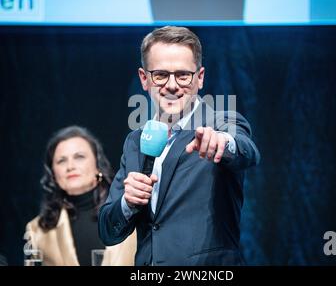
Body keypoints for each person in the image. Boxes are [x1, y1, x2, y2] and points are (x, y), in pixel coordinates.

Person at [98, 26, 260, 265]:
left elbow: (247, 151)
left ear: (200, 77)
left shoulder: (221, 123)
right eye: (161, 75)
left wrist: (223, 143)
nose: (172, 85)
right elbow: (108, 231)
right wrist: (127, 203)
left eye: (183, 75)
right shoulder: (135, 141)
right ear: (144, 79)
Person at [25, 126, 136, 266]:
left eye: (79, 157)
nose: (70, 166)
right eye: (61, 160)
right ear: (53, 174)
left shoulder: (131, 212)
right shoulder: (37, 230)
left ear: (98, 165)